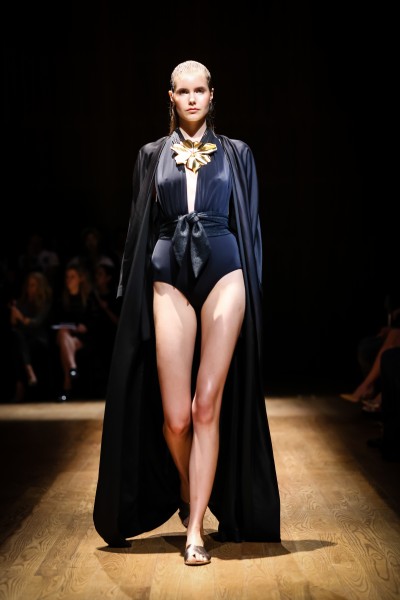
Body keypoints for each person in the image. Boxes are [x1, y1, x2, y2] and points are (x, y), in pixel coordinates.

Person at [93, 60, 280, 565]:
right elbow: (138, 226)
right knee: (176, 419)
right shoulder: (151, 155)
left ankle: (195, 528)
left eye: (200, 90)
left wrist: (255, 289)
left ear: (212, 95)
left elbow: (251, 226)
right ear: (170, 97)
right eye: (183, 91)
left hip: (224, 271)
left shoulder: (237, 153)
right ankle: (185, 481)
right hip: (168, 273)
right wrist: (130, 289)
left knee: (205, 407)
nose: (192, 98)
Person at [51, 264, 94, 402]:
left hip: (81, 337)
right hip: (65, 334)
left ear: (80, 279)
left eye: (72, 277)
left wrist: (83, 326)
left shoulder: (88, 298)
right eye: (67, 277)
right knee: (63, 334)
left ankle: (67, 384)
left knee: (65, 344)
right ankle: (73, 367)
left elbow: (93, 320)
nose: (68, 280)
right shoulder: (61, 298)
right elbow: (55, 319)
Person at [9, 271, 53, 402]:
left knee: (19, 342)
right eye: (28, 285)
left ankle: (21, 385)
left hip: (38, 338)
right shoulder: (22, 303)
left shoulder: (45, 303)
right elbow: (14, 324)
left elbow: (36, 323)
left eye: (33, 285)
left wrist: (21, 317)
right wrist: (14, 314)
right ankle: (28, 372)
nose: (30, 288)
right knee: (16, 336)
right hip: (23, 337)